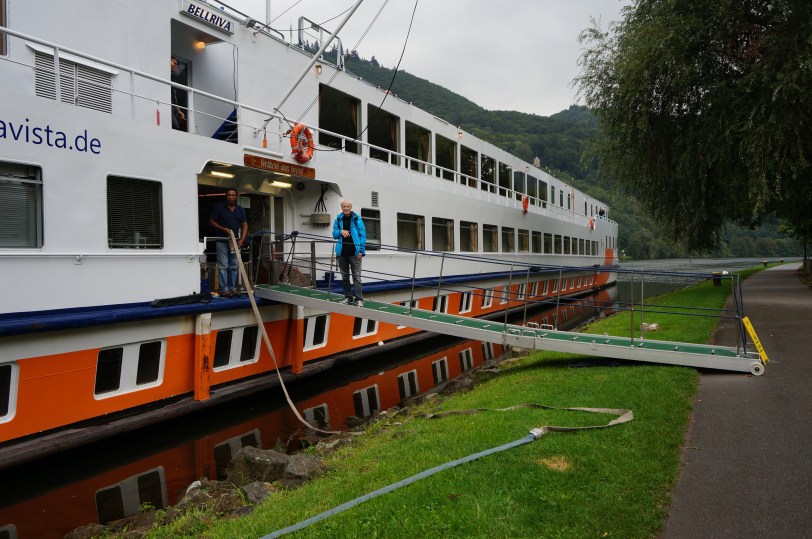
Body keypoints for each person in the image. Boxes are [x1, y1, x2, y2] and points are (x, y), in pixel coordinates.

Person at [209, 188, 248, 298]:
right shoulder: (219, 207)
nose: (231, 197)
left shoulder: (240, 209)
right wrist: (223, 229)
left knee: (234, 266)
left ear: (236, 197)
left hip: (234, 242)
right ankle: (224, 289)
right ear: (226, 196)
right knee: (223, 266)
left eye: (233, 195)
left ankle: (232, 288)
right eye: (229, 195)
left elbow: (245, 225)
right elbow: (211, 221)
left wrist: (242, 240)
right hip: (222, 241)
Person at [332, 199, 366, 306]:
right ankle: (348, 297)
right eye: (344, 206)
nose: (346, 208)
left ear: (350, 207)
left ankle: (359, 299)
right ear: (342, 208)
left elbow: (363, 236)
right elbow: (334, 234)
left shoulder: (357, 219)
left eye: (348, 206)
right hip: (342, 254)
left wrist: (361, 251)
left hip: (354, 254)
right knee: (345, 277)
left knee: (357, 277)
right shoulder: (338, 219)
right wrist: (340, 232)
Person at [170, 56, 187, 131]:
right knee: (175, 126)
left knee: (176, 127)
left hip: (174, 108)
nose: (176, 65)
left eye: (177, 64)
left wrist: (179, 110)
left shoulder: (173, 78)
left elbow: (174, 96)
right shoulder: (165, 75)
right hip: (168, 106)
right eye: (174, 63)